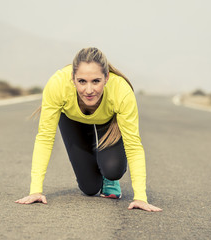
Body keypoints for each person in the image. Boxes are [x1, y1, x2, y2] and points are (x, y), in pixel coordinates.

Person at [15, 47, 162, 212]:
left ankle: (109, 178)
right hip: (72, 120)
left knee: (113, 169)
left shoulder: (121, 91)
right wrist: (35, 190)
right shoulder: (57, 84)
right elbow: (44, 138)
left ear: (106, 78)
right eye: (82, 81)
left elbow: (134, 145)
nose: (89, 90)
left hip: (106, 121)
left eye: (96, 81)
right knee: (90, 188)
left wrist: (140, 197)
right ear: (73, 78)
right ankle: (94, 164)